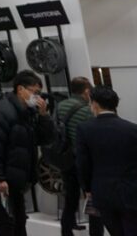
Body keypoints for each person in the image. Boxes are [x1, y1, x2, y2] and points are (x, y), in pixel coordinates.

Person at [0, 70, 54, 236]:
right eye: (34, 92)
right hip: (4, 178)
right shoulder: (0, 112)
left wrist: (44, 116)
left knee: (19, 220)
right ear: (20, 89)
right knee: (8, 221)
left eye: (39, 93)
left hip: (18, 177)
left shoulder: (28, 112)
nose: (37, 97)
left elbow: (45, 139)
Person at [76, 86, 137, 236]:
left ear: (95, 104)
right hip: (132, 191)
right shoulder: (135, 129)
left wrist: (87, 187)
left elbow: (82, 163)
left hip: (102, 191)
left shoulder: (84, 129)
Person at [55, 77, 99, 236]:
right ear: (86, 91)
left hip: (66, 158)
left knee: (70, 197)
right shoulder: (87, 110)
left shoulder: (60, 106)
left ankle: (66, 231)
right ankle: (95, 233)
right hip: (84, 160)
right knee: (92, 198)